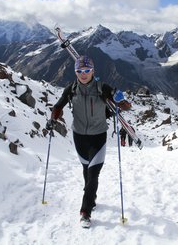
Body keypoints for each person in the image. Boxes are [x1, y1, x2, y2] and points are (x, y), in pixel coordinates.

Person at [46, 55, 131, 228]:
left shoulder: (103, 88)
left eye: (87, 70)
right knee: (86, 171)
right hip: (79, 137)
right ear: (75, 72)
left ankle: (85, 212)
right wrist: (52, 119)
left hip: (98, 136)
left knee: (93, 174)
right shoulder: (71, 89)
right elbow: (58, 106)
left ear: (93, 71)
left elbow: (125, 107)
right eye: (79, 71)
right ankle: (91, 198)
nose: (83, 74)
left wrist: (121, 100)